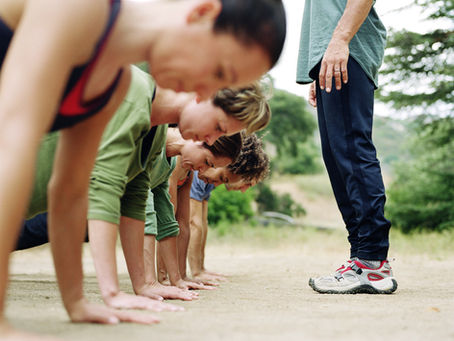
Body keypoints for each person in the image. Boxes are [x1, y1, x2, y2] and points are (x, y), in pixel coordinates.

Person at [0, 0, 286, 337]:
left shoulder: (116, 83)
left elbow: (70, 189)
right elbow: (12, 138)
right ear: (202, 13)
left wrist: (76, 303)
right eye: (220, 72)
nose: (205, 92)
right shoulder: (81, 7)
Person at [17, 64, 270, 310]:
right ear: (203, 93)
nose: (210, 140)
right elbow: (104, 189)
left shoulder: (157, 132)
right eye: (217, 127)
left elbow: (134, 200)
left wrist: (144, 285)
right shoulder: (133, 93)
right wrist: (112, 293)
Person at [296, 0, 397, 294]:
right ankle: (360, 259)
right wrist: (319, 62)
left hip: (346, 50)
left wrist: (339, 42)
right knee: (337, 157)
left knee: (352, 152)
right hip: (331, 56)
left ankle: (372, 262)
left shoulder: (343, 43)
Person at [188, 134, 270, 283]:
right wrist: (196, 273)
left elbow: (203, 223)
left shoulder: (210, 181)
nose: (244, 190)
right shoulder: (200, 173)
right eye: (248, 184)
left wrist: (201, 269)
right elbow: (193, 224)